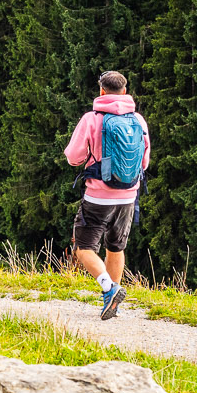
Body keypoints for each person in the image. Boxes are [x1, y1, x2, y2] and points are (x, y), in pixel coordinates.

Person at [63, 70, 149, 319]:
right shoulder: (138, 120)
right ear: (124, 91)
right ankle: (112, 303)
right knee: (115, 247)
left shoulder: (92, 119)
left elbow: (73, 157)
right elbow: (144, 162)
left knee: (83, 248)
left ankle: (109, 288)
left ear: (102, 91)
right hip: (128, 196)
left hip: (98, 196)